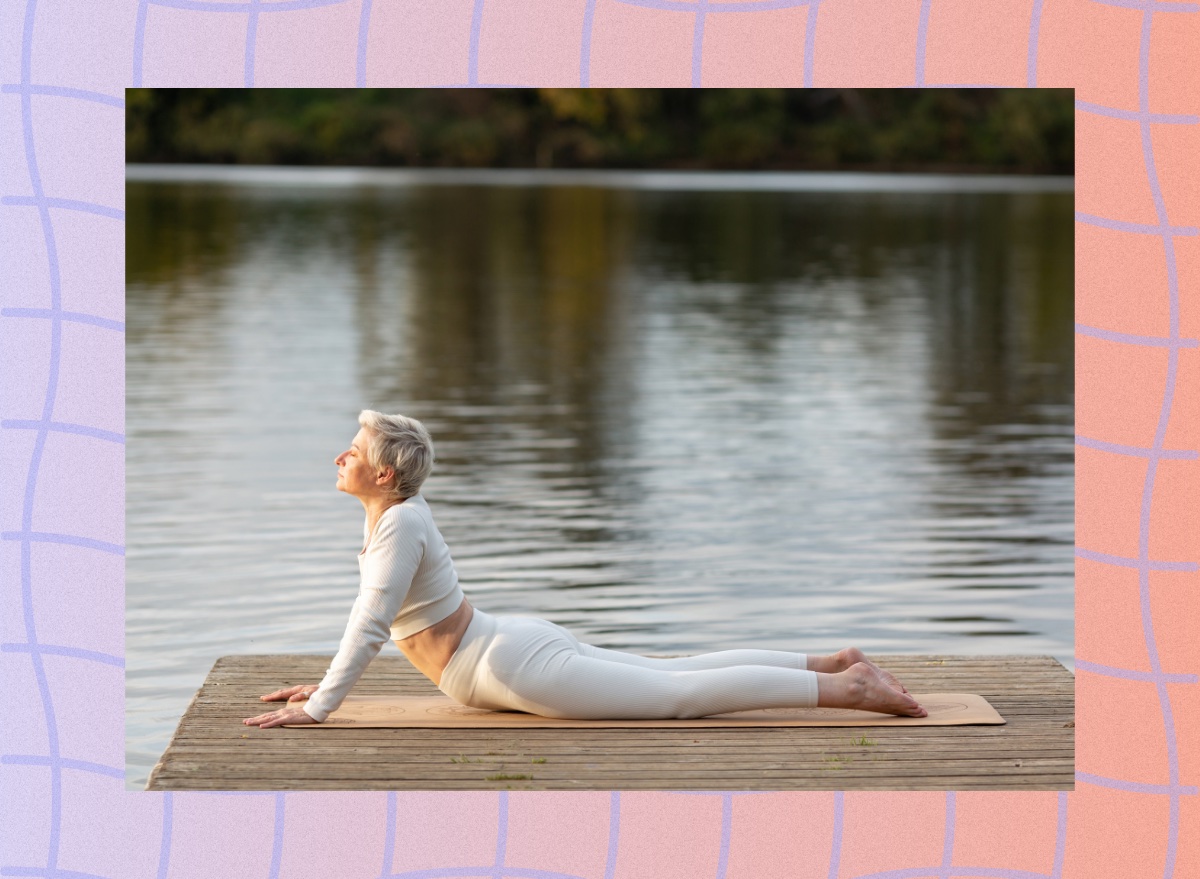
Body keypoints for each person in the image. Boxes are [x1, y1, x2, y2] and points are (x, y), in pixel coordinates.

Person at [243, 411, 927, 729]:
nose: (340, 455)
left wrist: (321, 708)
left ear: (384, 473)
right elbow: (405, 624)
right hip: (503, 647)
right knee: (674, 670)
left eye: (353, 451)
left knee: (676, 696)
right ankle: (829, 661)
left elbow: (370, 624)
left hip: (507, 664)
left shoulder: (396, 524)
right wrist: (329, 682)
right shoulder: (392, 520)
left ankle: (849, 689)